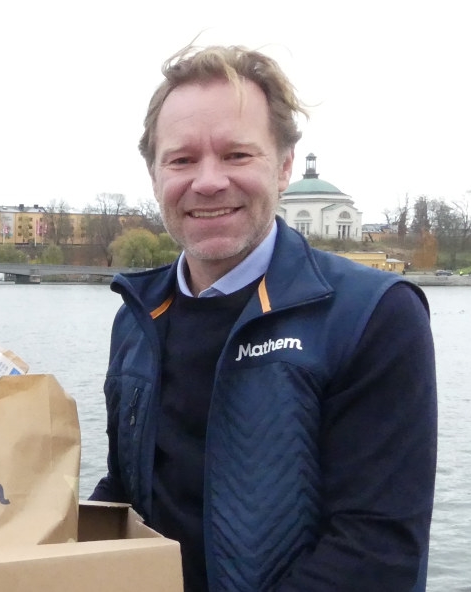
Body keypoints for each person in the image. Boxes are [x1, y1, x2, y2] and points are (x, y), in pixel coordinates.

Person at [90, 44, 436, 592]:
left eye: (236, 155)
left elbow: (375, 553)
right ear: (154, 175)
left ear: (284, 167)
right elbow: (127, 494)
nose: (208, 181)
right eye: (181, 160)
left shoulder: (372, 315)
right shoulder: (137, 315)